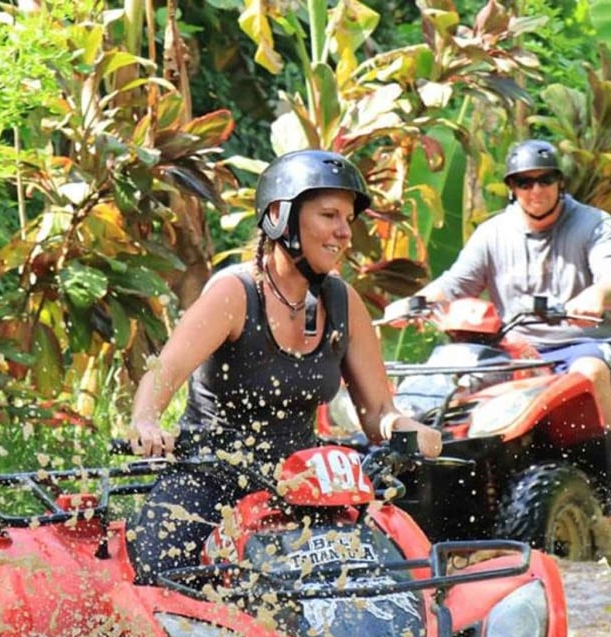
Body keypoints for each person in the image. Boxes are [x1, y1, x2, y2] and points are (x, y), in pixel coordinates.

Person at [126, 148, 442, 575]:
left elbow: (379, 414)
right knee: (159, 575)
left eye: (348, 219)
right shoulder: (234, 293)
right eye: (330, 216)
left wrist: (411, 430)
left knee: (394, 573)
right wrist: (146, 419)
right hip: (210, 483)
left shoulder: (342, 301)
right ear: (280, 217)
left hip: (303, 488)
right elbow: (164, 370)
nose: (344, 232)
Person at [408, 138, 611, 517]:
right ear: (512, 187)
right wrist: (419, 301)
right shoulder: (493, 232)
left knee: (591, 372)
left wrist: (599, 295)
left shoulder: (593, 224)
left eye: (545, 180)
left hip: (583, 342)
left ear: (559, 182)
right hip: (514, 347)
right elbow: (455, 283)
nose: (536, 190)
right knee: (450, 383)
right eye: (524, 182)